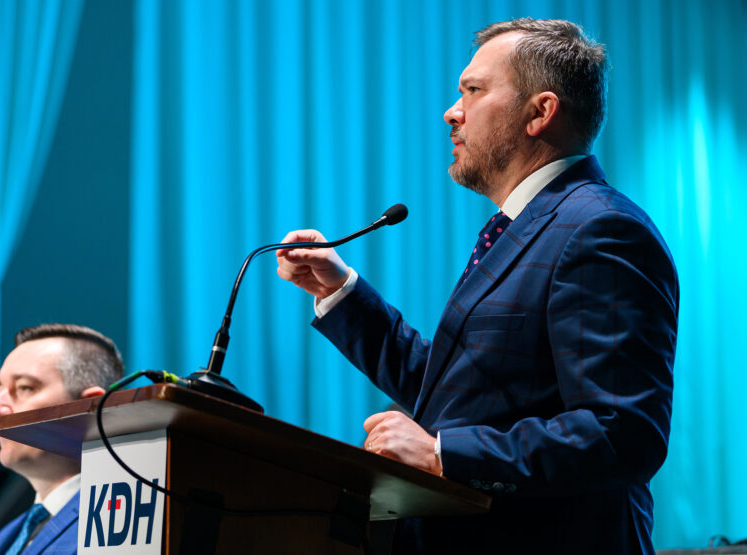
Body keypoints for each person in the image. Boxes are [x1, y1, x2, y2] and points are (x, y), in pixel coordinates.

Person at [276, 18, 678, 555]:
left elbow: (620, 434)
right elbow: (455, 391)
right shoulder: (524, 226)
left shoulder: (602, 229)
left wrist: (443, 455)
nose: (452, 111)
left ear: (540, 112)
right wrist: (340, 290)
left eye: (473, 90)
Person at [0, 324, 124, 555]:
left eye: (24, 387)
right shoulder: (8, 535)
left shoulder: (118, 527)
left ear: (90, 407)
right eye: (0, 388)